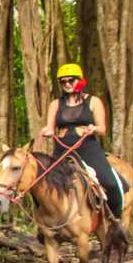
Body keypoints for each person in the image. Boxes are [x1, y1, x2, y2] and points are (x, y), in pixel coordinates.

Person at [41, 63, 123, 218]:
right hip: (63, 147)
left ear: (79, 80)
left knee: (109, 182)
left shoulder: (93, 101)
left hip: (87, 147)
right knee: (47, 184)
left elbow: (103, 128)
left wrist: (93, 128)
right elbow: (50, 127)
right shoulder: (55, 104)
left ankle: (113, 218)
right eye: (63, 82)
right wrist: (47, 131)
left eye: (70, 80)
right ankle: (46, 224)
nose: (67, 84)